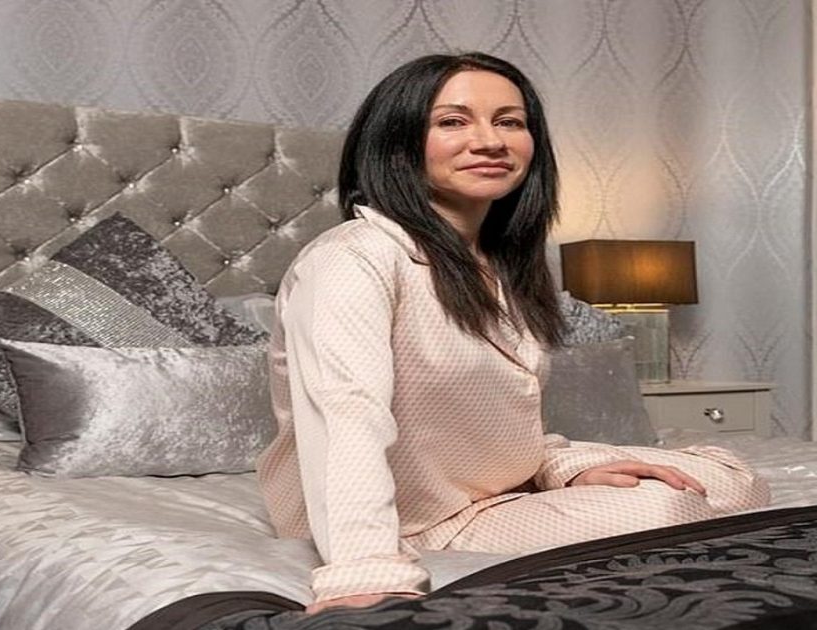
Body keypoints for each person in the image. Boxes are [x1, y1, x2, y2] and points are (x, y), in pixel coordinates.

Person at [257, 52, 770, 614]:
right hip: (417, 518)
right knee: (665, 507)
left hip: (492, 492)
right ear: (398, 143)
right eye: (452, 121)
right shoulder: (351, 260)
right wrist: (364, 570)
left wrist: (565, 468)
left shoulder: (500, 265)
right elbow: (345, 416)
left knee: (731, 478)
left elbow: (486, 424)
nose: (490, 141)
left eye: (509, 121)